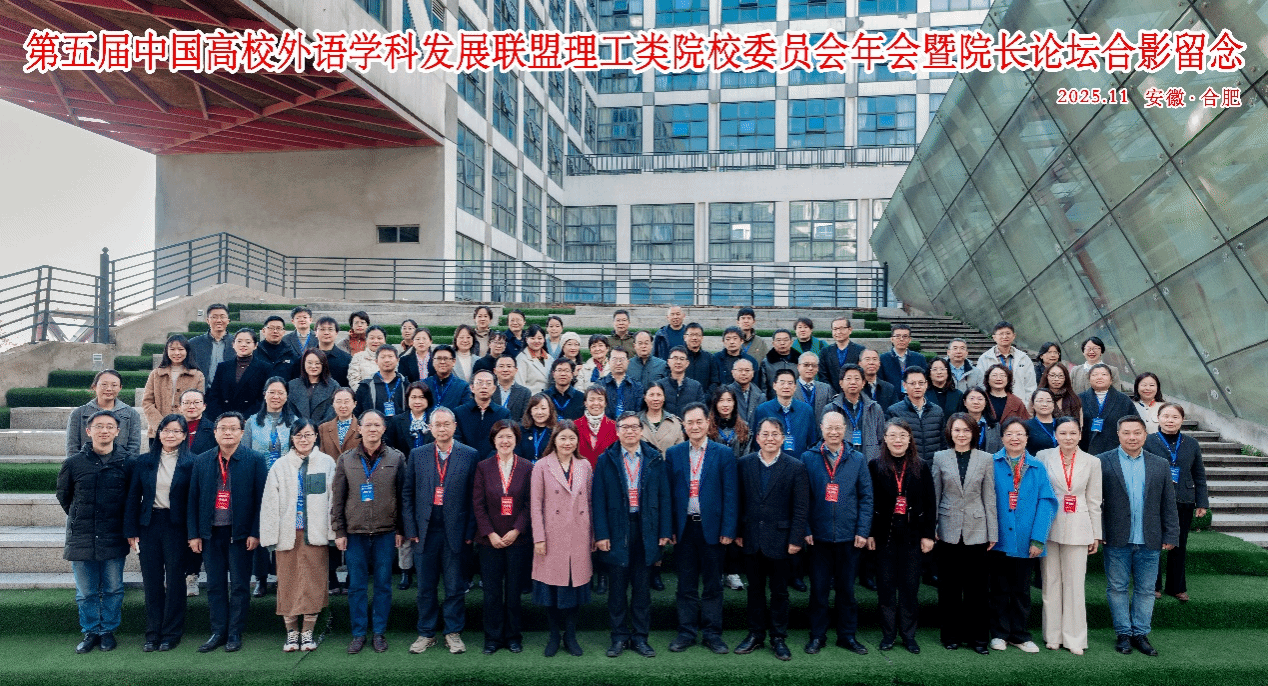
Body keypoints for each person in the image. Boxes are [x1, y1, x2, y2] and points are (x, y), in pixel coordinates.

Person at [1098, 416, 1179, 657]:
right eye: (1126, 433)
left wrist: (1171, 534)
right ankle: (1123, 633)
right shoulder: (1102, 461)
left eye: (1137, 432)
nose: (1132, 437)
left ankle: (1140, 634)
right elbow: (1096, 502)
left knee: (1145, 590)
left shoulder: (1160, 464)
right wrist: (1099, 532)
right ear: (1118, 434)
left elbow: (1168, 503)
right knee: (1117, 588)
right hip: (1116, 537)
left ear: (1145, 434)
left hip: (1150, 538)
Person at [186, 411, 267, 653]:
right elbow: (193, 500)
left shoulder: (254, 460)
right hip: (210, 534)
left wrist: (255, 532)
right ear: (215, 432)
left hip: (240, 534)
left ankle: (235, 632)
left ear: (242, 433)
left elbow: (262, 500)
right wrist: (194, 534)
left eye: (233, 428)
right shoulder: (202, 460)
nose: (228, 433)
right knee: (214, 585)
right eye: (223, 428)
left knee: (240, 585)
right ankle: (218, 631)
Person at [593, 412, 672, 658]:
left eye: (634, 427)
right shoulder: (606, 459)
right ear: (617, 431)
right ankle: (618, 637)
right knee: (617, 590)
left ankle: (640, 638)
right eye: (624, 427)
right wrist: (601, 534)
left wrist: (664, 530)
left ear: (641, 430)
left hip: (646, 527)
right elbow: (598, 499)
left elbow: (664, 496)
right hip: (617, 529)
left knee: (641, 589)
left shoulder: (654, 458)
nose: (630, 431)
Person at [402, 407, 479, 655]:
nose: (442, 429)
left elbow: (474, 497)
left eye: (447, 424)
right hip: (425, 532)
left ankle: (453, 633)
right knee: (426, 587)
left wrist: (470, 532)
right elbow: (407, 494)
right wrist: (410, 528)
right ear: (430, 428)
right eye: (437, 424)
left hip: (455, 532)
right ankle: (426, 633)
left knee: (455, 586)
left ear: (455, 426)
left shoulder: (469, 455)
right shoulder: (418, 454)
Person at [734, 418, 810, 662]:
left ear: (782, 438)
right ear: (757, 438)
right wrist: (738, 532)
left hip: (782, 540)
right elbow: (738, 502)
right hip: (751, 538)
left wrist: (796, 539)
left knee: (780, 592)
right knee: (754, 590)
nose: (770, 438)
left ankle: (778, 638)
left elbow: (801, 508)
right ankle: (755, 634)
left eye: (775, 434)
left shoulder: (796, 467)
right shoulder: (744, 464)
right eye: (765, 434)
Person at [258, 418, 337, 652]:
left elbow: (333, 500)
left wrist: (333, 532)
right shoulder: (280, 465)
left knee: (314, 582)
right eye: (299, 435)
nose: (304, 439)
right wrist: (270, 536)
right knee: (288, 581)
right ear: (292, 438)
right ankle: (291, 632)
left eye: (308, 435)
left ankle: (307, 631)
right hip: (288, 534)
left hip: (315, 533)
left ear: (316, 437)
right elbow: (269, 503)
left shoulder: (327, 463)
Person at [59, 409, 134, 654]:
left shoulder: (128, 462)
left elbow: (133, 498)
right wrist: (81, 516)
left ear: (117, 432)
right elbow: (64, 496)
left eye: (110, 426)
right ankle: (90, 631)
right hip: (82, 535)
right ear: (88, 431)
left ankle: (107, 631)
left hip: (114, 534)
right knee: (86, 592)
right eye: (99, 426)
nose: (104, 431)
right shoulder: (73, 463)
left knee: (113, 588)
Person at [332, 409, 406, 654]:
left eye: (377, 425)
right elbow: (338, 498)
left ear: (384, 429)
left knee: (383, 585)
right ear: (359, 429)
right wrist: (339, 531)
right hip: (355, 533)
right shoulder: (346, 459)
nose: (372, 429)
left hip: (386, 532)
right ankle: (358, 633)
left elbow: (403, 496)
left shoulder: (396, 458)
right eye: (368, 425)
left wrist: (400, 529)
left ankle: (379, 632)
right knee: (357, 587)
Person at [666, 403, 737, 654]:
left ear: (708, 423)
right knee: (685, 584)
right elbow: (668, 496)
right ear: (683, 426)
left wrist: (728, 529)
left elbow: (731, 495)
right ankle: (686, 632)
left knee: (712, 585)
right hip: (684, 528)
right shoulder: (674, 454)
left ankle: (712, 634)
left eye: (699, 421)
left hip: (713, 529)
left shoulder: (723, 453)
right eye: (690, 422)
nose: (694, 427)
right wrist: (670, 528)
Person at [802, 411, 873, 656]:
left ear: (845, 429)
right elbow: (803, 498)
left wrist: (862, 530)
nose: (834, 432)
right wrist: (806, 528)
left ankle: (847, 636)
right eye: (829, 428)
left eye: (838, 428)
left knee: (847, 591)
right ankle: (817, 636)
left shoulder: (857, 459)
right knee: (819, 591)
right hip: (818, 537)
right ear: (821, 428)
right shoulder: (808, 458)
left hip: (849, 537)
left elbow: (866, 497)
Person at [125, 414, 196, 652]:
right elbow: (133, 497)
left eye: (176, 431)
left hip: (177, 526)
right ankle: (153, 633)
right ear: (158, 433)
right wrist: (131, 530)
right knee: (152, 580)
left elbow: (195, 501)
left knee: (175, 580)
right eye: (166, 430)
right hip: (149, 524)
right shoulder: (144, 461)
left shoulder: (193, 462)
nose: (170, 435)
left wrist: (193, 533)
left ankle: (171, 633)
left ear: (184, 436)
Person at [987, 418, 1058, 653]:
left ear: (1027, 438)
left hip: (1026, 540)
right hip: (997, 539)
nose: (1014, 438)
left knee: (1021, 591)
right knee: (998, 590)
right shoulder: (991, 463)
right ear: (1002, 438)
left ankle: (1019, 635)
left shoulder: (1037, 467)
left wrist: (1038, 538)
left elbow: (1047, 503)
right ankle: (999, 634)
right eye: (1009, 434)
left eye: (1019, 434)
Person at [866, 420, 936, 654]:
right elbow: (869, 502)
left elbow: (930, 503)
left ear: (909, 439)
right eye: (893, 435)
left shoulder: (921, 466)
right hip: (884, 537)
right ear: (885, 439)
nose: (898, 440)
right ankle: (888, 635)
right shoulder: (875, 466)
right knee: (886, 588)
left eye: (903, 435)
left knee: (909, 589)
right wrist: (870, 534)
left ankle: (908, 635)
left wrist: (928, 535)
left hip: (912, 536)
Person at [931, 413, 997, 654]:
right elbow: (935, 495)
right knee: (949, 588)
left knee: (977, 589)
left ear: (974, 433)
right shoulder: (940, 457)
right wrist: (933, 526)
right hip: (947, 529)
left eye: (966, 430)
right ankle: (950, 636)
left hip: (977, 529)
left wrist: (993, 531)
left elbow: (989, 496)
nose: (961, 435)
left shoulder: (985, 459)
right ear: (950, 432)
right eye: (957, 430)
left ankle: (978, 638)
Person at [1037, 416, 1102, 655]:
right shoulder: (1043, 457)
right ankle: (1052, 635)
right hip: (1049, 525)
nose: (1068, 438)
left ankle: (1075, 638)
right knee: (1051, 581)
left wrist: (1096, 534)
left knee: (1075, 585)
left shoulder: (1092, 462)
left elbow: (1094, 500)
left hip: (1079, 525)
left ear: (1080, 435)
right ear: (1055, 434)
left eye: (1073, 433)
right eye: (1063, 433)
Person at [530, 420, 594, 657]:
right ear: (554, 440)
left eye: (572, 438)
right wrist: (539, 537)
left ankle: (571, 635)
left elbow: (590, 502)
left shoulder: (585, 465)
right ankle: (554, 636)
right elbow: (535, 505)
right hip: (551, 536)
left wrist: (592, 535)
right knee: (552, 590)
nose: (568, 443)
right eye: (563, 438)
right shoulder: (542, 466)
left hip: (578, 535)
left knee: (574, 589)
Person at [473, 421, 534, 654]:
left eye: (509, 436)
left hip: (518, 540)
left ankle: (513, 636)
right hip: (489, 541)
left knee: (514, 591)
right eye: (500, 437)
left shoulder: (527, 467)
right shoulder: (483, 467)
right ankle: (493, 638)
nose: (505, 441)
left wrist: (516, 530)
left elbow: (529, 504)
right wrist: (490, 533)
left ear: (516, 439)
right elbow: (478, 504)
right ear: (493, 440)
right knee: (492, 592)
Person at [1145, 404, 1208, 603]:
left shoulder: (1191, 443)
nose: (1170, 420)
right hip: (1155, 500)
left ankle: (1177, 587)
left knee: (1179, 544)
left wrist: (1202, 501)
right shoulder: (1148, 441)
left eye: (1175, 417)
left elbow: (1199, 474)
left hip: (1184, 499)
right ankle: (1153, 585)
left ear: (1182, 420)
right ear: (1158, 418)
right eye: (1166, 416)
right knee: (1153, 543)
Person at [241, 378, 296, 598]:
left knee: (285, 529)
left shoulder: (295, 422)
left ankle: (284, 576)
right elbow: (244, 453)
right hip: (259, 482)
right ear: (264, 394)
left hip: (287, 482)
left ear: (287, 396)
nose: (276, 397)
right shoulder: (252, 422)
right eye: (272, 392)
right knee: (262, 529)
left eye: (280, 393)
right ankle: (261, 578)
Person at [67, 369, 144, 458]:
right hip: (86, 464)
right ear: (94, 386)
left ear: (120, 388)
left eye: (114, 385)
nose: (109, 389)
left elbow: (134, 446)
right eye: (104, 384)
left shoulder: (131, 414)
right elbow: (72, 446)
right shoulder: (79, 413)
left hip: (121, 464)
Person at [142, 335, 206, 439]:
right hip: (158, 432)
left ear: (187, 351)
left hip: (185, 432)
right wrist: (162, 425)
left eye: (180, 349)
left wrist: (180, 426)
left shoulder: (197, 375)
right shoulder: (156, 374)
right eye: (172, 349)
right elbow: (147, 402)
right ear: (166, 351)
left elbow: (197, 404)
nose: (176, 353)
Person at [205, 328, 273, 422]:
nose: (243, 345)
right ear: (233, 344)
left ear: (255, 345)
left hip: (250, 419)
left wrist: (245, 418)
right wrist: (221, 418)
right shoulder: (223, 367)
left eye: (248, 342)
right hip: (224, 419)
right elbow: (214, 395)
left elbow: (263, 398)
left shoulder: (265, 368)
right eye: (239, 341)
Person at [821, 364, 886, 461]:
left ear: (863, 383)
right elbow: (824, 440)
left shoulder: (875, 408)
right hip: (840, 462)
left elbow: (882, 439)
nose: (853, 382)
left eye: (857, 378)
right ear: (841, 383)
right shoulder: (831, 409)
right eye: (848, 378)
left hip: (870, 463)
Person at [753, 369, 817, 457]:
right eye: (782, 383)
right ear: (774, 385)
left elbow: (812, 440)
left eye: (790, 383)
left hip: (800, 461)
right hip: (771, 460)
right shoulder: (763, 409)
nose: (786, 386)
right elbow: (757, 441)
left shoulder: (806, 410)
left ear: (795, 387)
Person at [885, 368, 944, 464]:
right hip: (907, 466)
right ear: (904, 385)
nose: (917, 387)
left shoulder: (937, 411)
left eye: (921, 383)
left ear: (926, 384)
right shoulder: (894, 411)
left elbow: (943, 442)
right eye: (912, 383)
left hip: (934, 466)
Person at [1079, 364, 1138, 455]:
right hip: (1085, 450)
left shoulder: (1123, 400)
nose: (1099, 377)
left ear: (1111, 380)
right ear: (1089, 379)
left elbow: (1135, 424)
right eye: (1095, 375)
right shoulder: (1079, 399)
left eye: (1104, 374)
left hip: (1116, 450)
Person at [454, 370, 512, 459]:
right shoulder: (459, 412)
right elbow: (457, 440)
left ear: (494, 389)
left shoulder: (503, 414)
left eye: (488, 383)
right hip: (465, 461)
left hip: (494, 462)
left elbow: (504, 441)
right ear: (472, 388)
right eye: (479, 383)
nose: (484, 386)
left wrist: (488, 462)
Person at [976, 322, 1037, 402]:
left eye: (1008, 333)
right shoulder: (984, 359)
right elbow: (981, 384)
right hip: (993, 403)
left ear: (1014, 336)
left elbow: (1030, 386)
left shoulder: (1024, 358)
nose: (1005, 336)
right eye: (1001, 334)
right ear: (994, 337)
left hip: (1019, 404)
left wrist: (1026, 406)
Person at [287, 349, 339, 425]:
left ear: (323, 364)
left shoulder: (333, 386)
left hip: (324, 429)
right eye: (309, 363)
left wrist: (317, 428)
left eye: (317, 363)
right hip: (297, 429)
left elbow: (333, 412)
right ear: (303, 364)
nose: (313, 366)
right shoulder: (292, 385)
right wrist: (301, 427)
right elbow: (289, 410)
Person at [354, 345, 407, 418]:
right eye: (382, 357)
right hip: (373, 424)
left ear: (397, 360)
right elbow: (357, 412)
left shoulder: (405, 384)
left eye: (390, 356)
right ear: (376, 361)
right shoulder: (365, 386)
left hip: (400, 424)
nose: (387, 360)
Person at [190, 304, 232, 387]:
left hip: (230, 391)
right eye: (214, 317)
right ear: (207, 320)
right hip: (202, 391)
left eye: (222, 317)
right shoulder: (194, 344)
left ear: (228, 320)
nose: (219, 320)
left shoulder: (236, 344)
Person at [639, 380, 686, 454]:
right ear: (645, 398)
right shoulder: (636, 421)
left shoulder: (674, 422)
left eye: (659, 395)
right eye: (651, 395)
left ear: (664, 397)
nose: (655, 399)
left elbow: (681, 451)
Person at [577, 387, 618, 471]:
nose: (596, 403)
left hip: (606, 475)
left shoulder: (615, 427)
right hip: (580, 474)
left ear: (605, 403)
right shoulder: (575, 426)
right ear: (585, 403)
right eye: (591, 400)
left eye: (600, 400)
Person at [819, 316, 865, 388]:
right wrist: (832, 392)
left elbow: (863, 374)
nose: (838, 332)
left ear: (850, 330)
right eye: (835, 329)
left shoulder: (860, 350)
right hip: (830, 392)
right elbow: (822, 375)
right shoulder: (825, 351)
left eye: (842, 328)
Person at [878, 324, 928, 391]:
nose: (901, 339)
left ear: (910, 339)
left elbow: (925, 379)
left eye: (905, 336)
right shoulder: (883, 359)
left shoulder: (919, 358)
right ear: (892, 339)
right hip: (891, 395)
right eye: (898, 336)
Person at [598, 348, 641, 419]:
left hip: (629, 424)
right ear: (608, 362)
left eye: (622, 359)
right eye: (614, 359)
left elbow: (639, 411)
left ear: (628, 362)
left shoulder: (637, 386)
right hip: (606, 424)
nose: (618, 363)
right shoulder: (600, 384)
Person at [425, 345, 473, 409]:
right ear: (433, 361)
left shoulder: (463, 387)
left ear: (453, 362)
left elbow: (465, 410)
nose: (442, 362)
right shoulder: (424, 385)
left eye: (446, 359)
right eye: (439, 358)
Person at [662, 347, 706, 418]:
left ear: (687, 363)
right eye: (675, 358)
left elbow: (701, 411)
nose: (678, 362)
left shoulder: (696, 386)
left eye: (682, 359)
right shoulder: (660, 385)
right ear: (668, 362)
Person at [318, 389, 360, 460]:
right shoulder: (323, 428)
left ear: (354, 404)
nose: (343, 406)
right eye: (338, 402)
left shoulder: (362, 427)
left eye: (346, 402)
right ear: (333, 404)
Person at [707, 388, 750, 457]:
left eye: (729, 400)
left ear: (734, 403)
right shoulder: (707, 427)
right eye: (721, 400)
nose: (725, 405)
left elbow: (747, 454)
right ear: (715, 403)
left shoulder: (744, 427)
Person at [725, 357, 764, 433]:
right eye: (740, 370)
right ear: (732, 372)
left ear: (753, 373)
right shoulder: (726, 393)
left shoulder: (760, 396)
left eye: (747, 370)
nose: (743, 373)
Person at [517, 394, 558, 463]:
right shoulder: (521, 430)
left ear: (550, 410)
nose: (539, 412)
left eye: (543, 408)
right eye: (535, 408)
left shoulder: (556, 431)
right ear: (530, 411)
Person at [256, 316, 298, 381]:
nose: (275, 331)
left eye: (278, 328)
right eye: (271, 328)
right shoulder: (255, 351)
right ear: (263, 331)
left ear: (283, 332)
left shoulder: (291, 353)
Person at [313, 316, 352, 388]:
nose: (326, 333)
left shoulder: (347, 359)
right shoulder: (307, 358)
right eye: (322, 329)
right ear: (316, 332)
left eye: (330, 329)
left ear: (336, 333)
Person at [347, 326, 390, 391]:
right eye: (372, 338)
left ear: (385, 340)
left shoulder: (391, 357)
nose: (376, 341)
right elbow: (353, 380)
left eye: (379, 338)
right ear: (366, 340)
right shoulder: (358, 357)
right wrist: (366, 393)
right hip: (365, 394)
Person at [492, 355, 532, 423]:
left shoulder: (525, 392)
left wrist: (512, 428)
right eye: (501, 366)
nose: (505, 370)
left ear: (516, 370)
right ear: (495, 370)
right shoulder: (489, 390)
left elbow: (525, 419)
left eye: (509, 366)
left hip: (515, 429)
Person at [758, 329, 799, 397]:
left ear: (791, 342)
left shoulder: (800, 362)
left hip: (796, 400)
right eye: (778, 340)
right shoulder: (766, 363)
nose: (782, 343)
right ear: (773, 343)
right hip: (773, 400)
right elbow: (763, 387)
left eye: (785, 340)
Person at [682, 324, 721, 393]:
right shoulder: (679, 357)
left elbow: (714, 381)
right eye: (691, 335)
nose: (694, 338)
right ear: (685, 337)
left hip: (704, 398)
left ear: (702, 338)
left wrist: (705, 397)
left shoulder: (710, 358)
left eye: (697, 335)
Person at [962, 388, 1003, 453]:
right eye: (972, 398)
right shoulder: (958, 424)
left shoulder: (995, 426)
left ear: (985, 402)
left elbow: (1001, 450)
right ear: (965, 402)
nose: (976, 402)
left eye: (980, 399)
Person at [793, 353, 833, 418]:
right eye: (806, 365)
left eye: (814, 365)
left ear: (818, 368)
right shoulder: (790, 387)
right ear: (798, 367)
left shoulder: (826, 388)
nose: (810, 368)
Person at [180, 389, 217, 459]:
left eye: (196, 402)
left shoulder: (214, 429)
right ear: (180, 407)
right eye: (186, 403)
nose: (192, 406)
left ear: (204, 406)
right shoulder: (170, 428)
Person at [515, 325, 552, 393]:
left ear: (544, 340)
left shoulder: (550, 358)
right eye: (532, 338)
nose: (536, 341)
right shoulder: (521, 359)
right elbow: (519, 384)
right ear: (526, 340)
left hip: (548, 396)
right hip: (531, 397)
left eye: (540, 338)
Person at [1026, 389, 1059, 456]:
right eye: (1040, 401)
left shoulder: (1062, 424)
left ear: (1054, 405)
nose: (1044, 404)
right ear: (1033, 405)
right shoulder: (1026, 426)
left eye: (1048, 401)